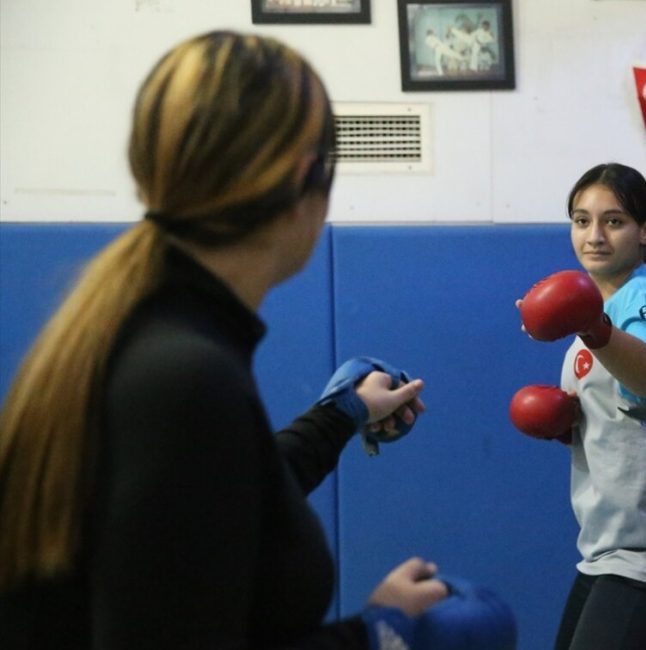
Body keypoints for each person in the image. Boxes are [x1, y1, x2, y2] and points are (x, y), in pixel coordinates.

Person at [0, 30, 514, 649]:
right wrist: (377, 635)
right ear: (304, 179)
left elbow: (217, 506)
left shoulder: (144, 328)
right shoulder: (180, 375)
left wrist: (343, 413)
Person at [512, 163, 646, 649]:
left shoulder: (645, 298)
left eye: (614, 221)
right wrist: (566, 423)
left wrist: (594, 327)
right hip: (610, 542)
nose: (595, 235)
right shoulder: (602, 307)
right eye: (582, 220)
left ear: (645, 230)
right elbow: (628, 412)